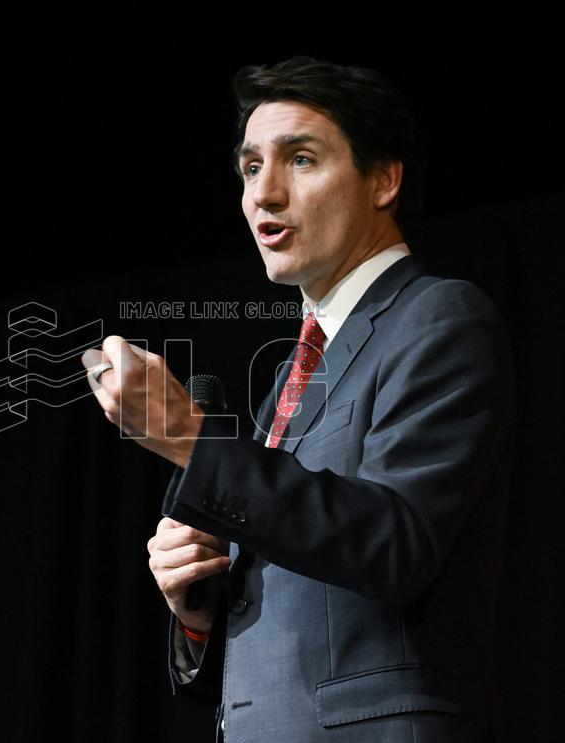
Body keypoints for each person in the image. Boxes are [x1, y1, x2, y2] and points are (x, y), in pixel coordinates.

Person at [82, 56, 515, 743]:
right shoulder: (296, 367)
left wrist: (192, 438)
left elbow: (395, 541)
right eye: (250, 168)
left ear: (383, 178)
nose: (264, 194)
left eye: (301, 159)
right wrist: (200, 604)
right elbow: (298, 583)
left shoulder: (439, 317)